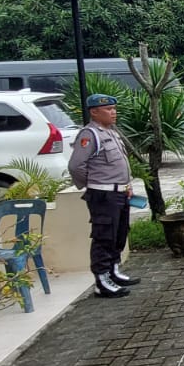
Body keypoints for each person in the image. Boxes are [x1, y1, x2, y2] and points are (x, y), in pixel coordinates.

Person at [66, 93, 141, 299]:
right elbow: (76, 166)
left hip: (120, 192)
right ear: (94, 112)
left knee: (119, 234)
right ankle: (102, 280)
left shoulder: (112, 133)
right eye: (108, 109)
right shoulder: (90, 135)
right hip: (104, 195)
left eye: (114, 108)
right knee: (104, 237)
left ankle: (113, 271)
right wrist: (94, 185)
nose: (113, 112)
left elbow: (120, 164)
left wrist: (127, 185)